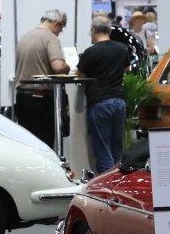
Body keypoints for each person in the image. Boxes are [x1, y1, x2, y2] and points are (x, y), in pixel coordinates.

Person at [76, 15, 131, 173]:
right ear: (109, 31)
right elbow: (126, 68)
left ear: (93, 30)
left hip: (99, 102)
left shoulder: (91, 52)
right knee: (116, 148)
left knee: (103, 150)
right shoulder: (121, 49)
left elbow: (79, 75)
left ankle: (108, 184)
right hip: (119, 102)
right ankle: (119, 180)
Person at [14, 9, 69, 151]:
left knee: (26, 144)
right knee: (43, 145)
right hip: (41, 99)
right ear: (57, 23)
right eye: (61, 29)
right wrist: (67, 67)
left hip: (21, 97)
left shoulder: (25, 37)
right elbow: (58, 67)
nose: (60, 32)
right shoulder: (50, 38)